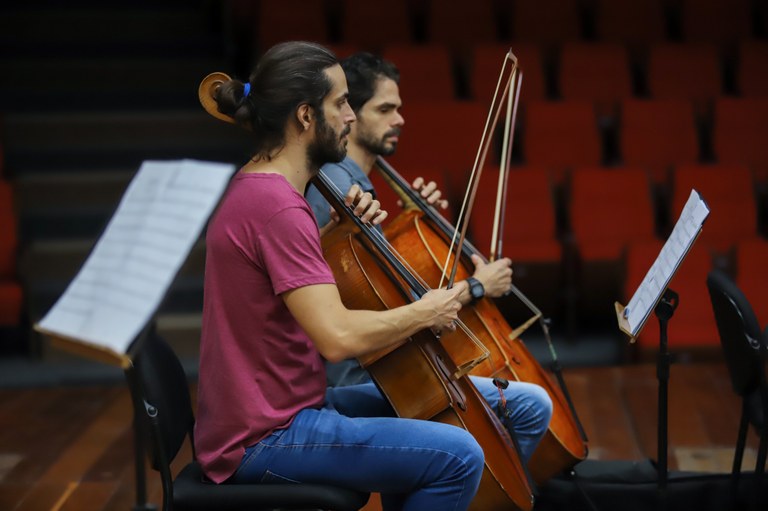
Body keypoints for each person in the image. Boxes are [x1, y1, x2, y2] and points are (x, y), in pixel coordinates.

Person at [195, 41, 486, 510]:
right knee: (459, 456)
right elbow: (336, 338)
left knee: (475, 402)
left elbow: (288, 290)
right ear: (306, 116)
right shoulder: (278, 206)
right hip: (265, 435)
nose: (350, 116)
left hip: (279, 412)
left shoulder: (263, 188)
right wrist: (425, 310)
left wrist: (336, 232)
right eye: (341, 103)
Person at [304, 52, 553, 464]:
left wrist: (410, 222)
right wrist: (476, 287)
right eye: (385, 109)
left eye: (399, 108)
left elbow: (374, 280)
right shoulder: (333, 188)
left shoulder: (355, 184)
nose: (400, 119)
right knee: (526, 406)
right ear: (351, 115)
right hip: (360, 375)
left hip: (384, 360)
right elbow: (363, 303)